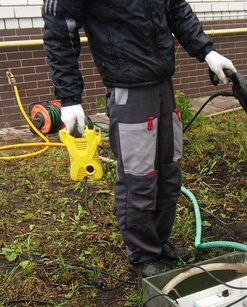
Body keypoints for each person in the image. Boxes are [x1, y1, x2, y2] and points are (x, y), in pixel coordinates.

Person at [42, 0, 236, 277]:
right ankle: (143, 254)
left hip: (162, 85)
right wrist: (69, 97)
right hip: (128, 89)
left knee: (169, 171)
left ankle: (157, 242)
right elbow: (60, 28)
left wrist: (207, 50)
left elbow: (176, 9)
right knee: (139, 178)